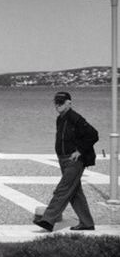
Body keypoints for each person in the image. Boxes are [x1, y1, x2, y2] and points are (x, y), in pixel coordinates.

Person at [33, 91, 98, 232]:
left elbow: (93, 135)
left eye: (61, 102)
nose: (57, 105)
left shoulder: (76, 118)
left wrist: (79, 151)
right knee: (75, 192)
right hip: (63, 160)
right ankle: (87, 223)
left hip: (75, 160)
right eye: (56, 102)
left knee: (62, 189)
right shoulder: (60, 119)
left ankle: (48, 220)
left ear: (69, 103)